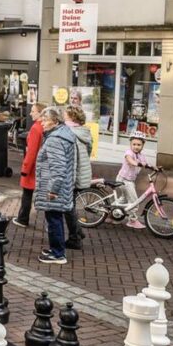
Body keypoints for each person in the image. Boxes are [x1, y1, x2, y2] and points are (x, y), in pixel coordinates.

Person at [34, 107, 77, 264]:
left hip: (54, 187)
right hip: (61, 186)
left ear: (55, 121)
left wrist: (53, 190)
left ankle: (58, 254)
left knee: (54, 219)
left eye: (45, 120)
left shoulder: (55, 140)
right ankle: (55, 249)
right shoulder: (64, 134)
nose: (42, 123)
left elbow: (58, 168)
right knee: (55, 218)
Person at [63, 105, 92, 248]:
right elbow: (88, 152)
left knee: (68, 208)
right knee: (71, 206)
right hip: (82, 173)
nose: (63, 115)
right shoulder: (84, 132)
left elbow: (72, 160)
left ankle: (75, 238)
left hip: (73, 175)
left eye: (65, 114)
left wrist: (70, 181)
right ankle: (78, 231)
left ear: (72, 117)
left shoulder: (70, 133)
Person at [13, 102, 46, 228]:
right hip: (41, 165)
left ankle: (23, 218)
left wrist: (25, 168)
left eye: (33, 111)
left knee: (27, 193)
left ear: (40, 113)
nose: (30, 113)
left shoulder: (35, 128)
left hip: (33, 167)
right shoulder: (44, 127)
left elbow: (31, 151)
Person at [117, 131, 154, 229]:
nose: (136, 146)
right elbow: (129, 160)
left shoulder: (141, 156)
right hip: (123, 179)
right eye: (134, 144)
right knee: (134, 201)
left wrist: (154, 168)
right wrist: (136, 163)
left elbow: (145, 164)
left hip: (130, 180)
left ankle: (110, 215)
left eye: (139, 145)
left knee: (123, 199)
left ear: (142, 145)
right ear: (130, 144)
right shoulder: (129, 152)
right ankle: (132, 221)